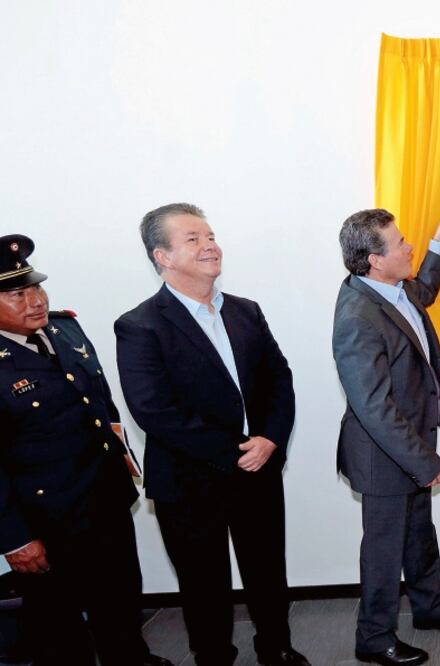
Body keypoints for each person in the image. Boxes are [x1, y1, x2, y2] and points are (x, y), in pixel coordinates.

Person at [115, 204, 309, 666]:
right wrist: (236, 451)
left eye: (211, 236)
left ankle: (276, 648)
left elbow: (279, 380)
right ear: (162, 256)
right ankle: (214, 656)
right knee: (204, 585)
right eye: (193, 239)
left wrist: (270, 441)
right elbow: (154, 411)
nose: (210, 246)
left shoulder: (246, 311)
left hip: (258, 467)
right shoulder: (140, 325)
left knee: (267, 571)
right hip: (189, 481)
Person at [0, 234, 171, 666]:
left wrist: (124, 470)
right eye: (18, 294)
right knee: (58, 625)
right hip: (45, 519)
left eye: (36, 287)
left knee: (120, 598)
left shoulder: (64, 327)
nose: (35, 300)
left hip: (104, 497)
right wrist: (14, 537)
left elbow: (101, 406)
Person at [332, 208, 440, 666]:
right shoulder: (358, 316)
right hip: (383, 454)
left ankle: (430, 610)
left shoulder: (396, 290)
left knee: (418, 534)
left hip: (409, 444)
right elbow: (372, 406)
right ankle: (374, 638)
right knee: (383, 549)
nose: (408, 246)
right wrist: (425, 461)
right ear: (375, 260)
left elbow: (426, 289)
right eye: (400, 244)